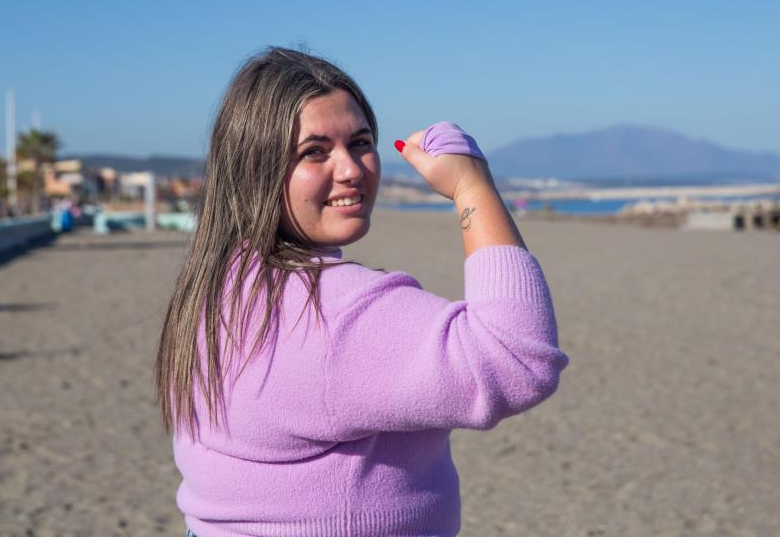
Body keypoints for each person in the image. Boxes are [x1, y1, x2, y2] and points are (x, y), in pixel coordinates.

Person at [155, 47, 569, 537]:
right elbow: (516, 359)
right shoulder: (333, 311)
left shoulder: (217, 284)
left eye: (360, 142)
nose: (350, 168)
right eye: (314, 151)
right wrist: (473, 188)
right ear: (254, 169)